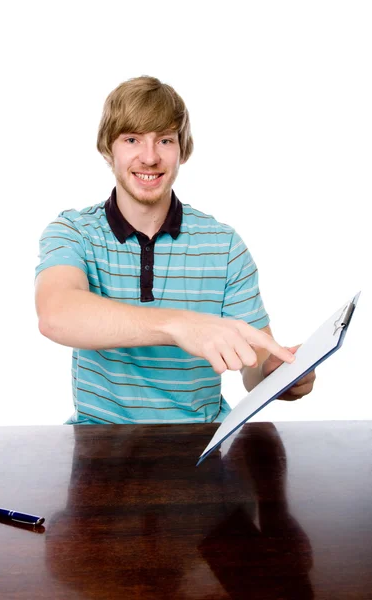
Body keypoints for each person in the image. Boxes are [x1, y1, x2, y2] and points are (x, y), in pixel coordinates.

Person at [35, 75, 316, 425]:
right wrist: (180, 326)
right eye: (132, 139)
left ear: (183, 150)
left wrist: (278, 374)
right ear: (108, 149)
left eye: (165, 140)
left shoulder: (224, 245)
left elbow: (254, 367)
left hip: (201, 446)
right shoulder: (74, 232)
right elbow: (56, 316)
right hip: (100, 447)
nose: (149, 157)